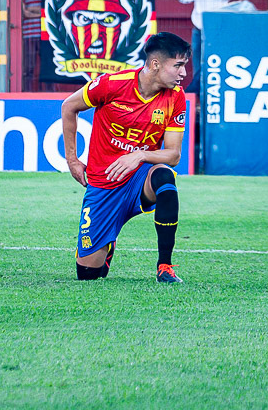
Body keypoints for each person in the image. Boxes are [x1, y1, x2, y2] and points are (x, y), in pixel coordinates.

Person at [59, 30, 189, 284]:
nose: (183, 73)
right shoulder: (111, 84)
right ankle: (106, 248)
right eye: (178, 66)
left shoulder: (176, 97)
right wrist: (73, 160)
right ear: (155, 64)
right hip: (104, 182)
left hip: (139, 179)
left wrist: (139, 155)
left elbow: (173, 154)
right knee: (88, 275)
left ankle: (165, 265)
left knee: (165, 177)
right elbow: (68, 107)